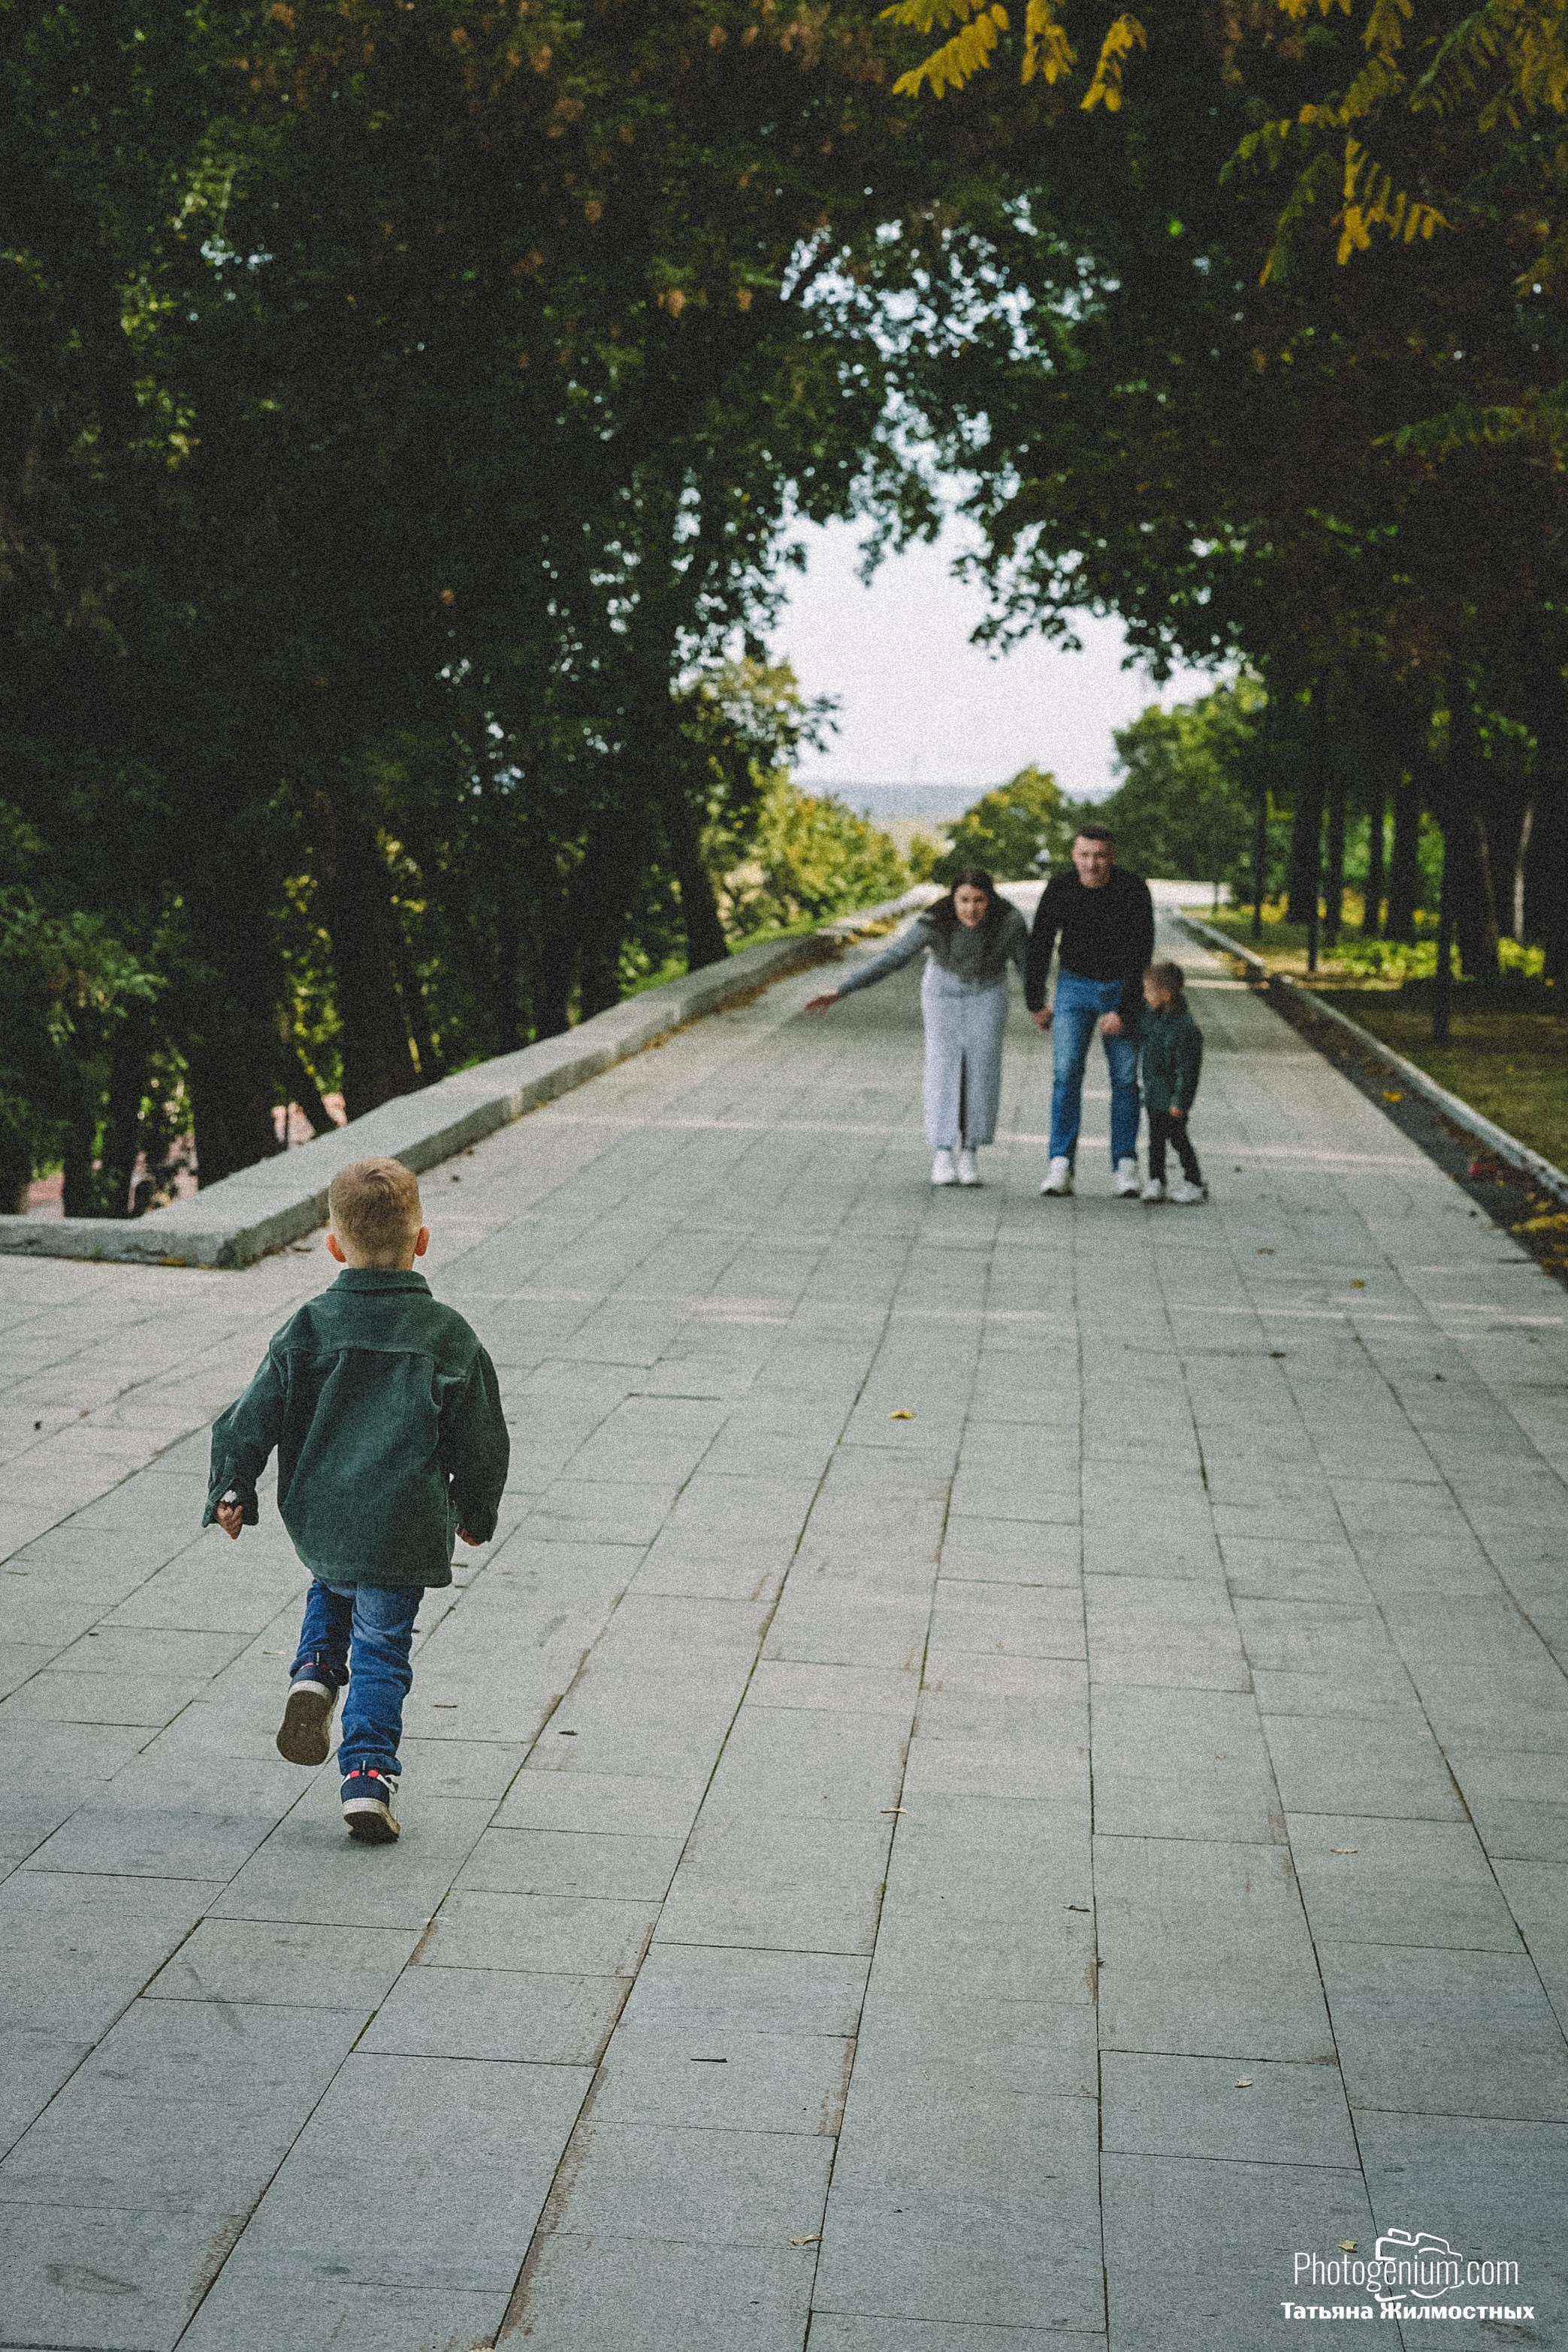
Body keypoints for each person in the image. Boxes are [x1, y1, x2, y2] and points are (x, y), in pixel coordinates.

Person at [205, 1156, 509, 1844]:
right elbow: (483, 1438)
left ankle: (312, 1676)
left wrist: (233, 1485)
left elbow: (251, 1413)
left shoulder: (309, 1327)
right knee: (382, 1650)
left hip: (324, 1518)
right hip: (401, 1530)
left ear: (334, 1246)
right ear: (422, 1242)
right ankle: (367, 1774)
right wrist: (475, 1511)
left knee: (332, 1585)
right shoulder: (447, 1336)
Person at [805, 869, 1031, 1187]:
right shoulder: (934, 921)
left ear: (990, 900)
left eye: (979, 900)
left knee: (981, 1068)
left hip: (988, 991)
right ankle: (942, 1153)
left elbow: (1029, 968)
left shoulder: (1010, 922)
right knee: (944, 1067)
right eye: (963, 900)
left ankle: (969, 1152)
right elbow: (894, 957)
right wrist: (843, 990)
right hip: (943, 991)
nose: (971, 909)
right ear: (952, 900)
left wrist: (1042, 1007)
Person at [1025, 824, 1154, 1198]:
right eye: (1084, 855)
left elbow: (1142, 952)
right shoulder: (1061, 889)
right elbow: (1041, 944)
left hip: (1121, 986)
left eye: (1099, 856)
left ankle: (1126, 1164)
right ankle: (1060, 1163)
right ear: (1074, 856)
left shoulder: (1132, 890)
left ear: (1111, 857)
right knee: (1066, 1074)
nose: (1092, 864)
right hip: (1074, 986)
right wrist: (1035, 1001)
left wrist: (1127, 1010)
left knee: (1127, 1080)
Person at [1138, 960, 1207, 1203]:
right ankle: (1156, 1179)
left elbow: (1188, 1071)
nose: (1145, 996)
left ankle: (1194, 1181)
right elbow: (1140, 1031)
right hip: (1155, 1094)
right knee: (1155, 1141)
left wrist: (1181, 1101)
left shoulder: (1184, 1030)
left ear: (1165, 995)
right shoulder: (1153, 1017)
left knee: (1178, 1140)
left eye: (1148, 991)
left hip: (1172, 1099)